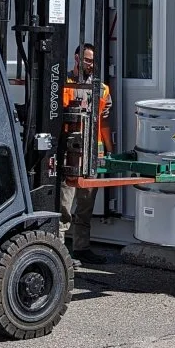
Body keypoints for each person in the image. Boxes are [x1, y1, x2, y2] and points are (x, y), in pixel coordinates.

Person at [61, 43, 112, 266]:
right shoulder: (62, 84)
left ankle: (82, 247)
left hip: (92, 151)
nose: (91, 65)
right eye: (88, 60)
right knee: (64, 203)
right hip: (70, 149)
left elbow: (104, 121)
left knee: (86, 204)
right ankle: (61, 251)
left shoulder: (102, 89)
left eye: (93, 61)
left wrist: (109, 149)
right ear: (77, 58)